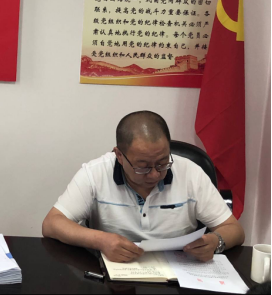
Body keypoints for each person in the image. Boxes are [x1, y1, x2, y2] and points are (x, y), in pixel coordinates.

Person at [42, 111, 245, 263]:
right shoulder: (95, 173)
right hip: (116, 274)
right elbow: (52, 223)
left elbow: (234, 230)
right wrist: (101, 240)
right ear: (119, 155)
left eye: (162, 163)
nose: (155, 174)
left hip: (179, 273)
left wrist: (216, 241)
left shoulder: (191, 173)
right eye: (143, 167)